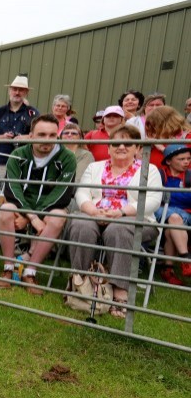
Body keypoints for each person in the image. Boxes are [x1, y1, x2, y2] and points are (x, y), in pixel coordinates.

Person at [68, 125, 162, 318]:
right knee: (79, 223)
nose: (121, 146)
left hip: (135, 219)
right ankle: (80, 282)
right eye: (115, 143)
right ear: (109, 147)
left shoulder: (149, 170)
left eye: (127, 143)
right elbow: (82, 193)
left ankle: (120, 289)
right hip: (96, 214)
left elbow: (152, 200)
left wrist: (120, 212)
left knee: (118, 229)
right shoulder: (95, 167)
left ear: (137, 148)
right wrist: (94, 212)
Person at [0, 114, 76, 293]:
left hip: (48, 207)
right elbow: (12, 189)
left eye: (52, 135)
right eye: (41, 134)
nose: (47, 140)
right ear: (31, 136)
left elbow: (61, 193)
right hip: (21, 205)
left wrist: (33, 217)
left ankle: (30, 270)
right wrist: (31, 216)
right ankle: (8, 268)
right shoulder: (18, 154)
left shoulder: (67, 157)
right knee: (6, 209)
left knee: (58, 217)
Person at [0, 75, 39, 177]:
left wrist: (27, 137)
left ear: (26, 93)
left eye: (21, 90)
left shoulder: (33, 113)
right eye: (14, 89)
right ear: (9, 91)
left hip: (24, 163)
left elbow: (40, 136)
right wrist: (0, 137)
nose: (17, 92)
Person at [155, 144, 191, 285]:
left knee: (172, 227)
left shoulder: (189, 175)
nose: (186, 162)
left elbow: (166, 197)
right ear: (168, 161)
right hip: (161, 212)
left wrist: (170, 195)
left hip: (184, 216)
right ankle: (186, 259)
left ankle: (168, 269)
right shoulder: (159, 174)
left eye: (188, 158)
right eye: (181, 159)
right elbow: (155, 198)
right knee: (174, 217)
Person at [60, 123, 95, 214]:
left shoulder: (85, 155)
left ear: (80, 138)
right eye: (66, 133)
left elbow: (78, 180)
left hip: (72, 196)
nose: (69, 135)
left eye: (74, 133)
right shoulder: (53, 153)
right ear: (60, 137)